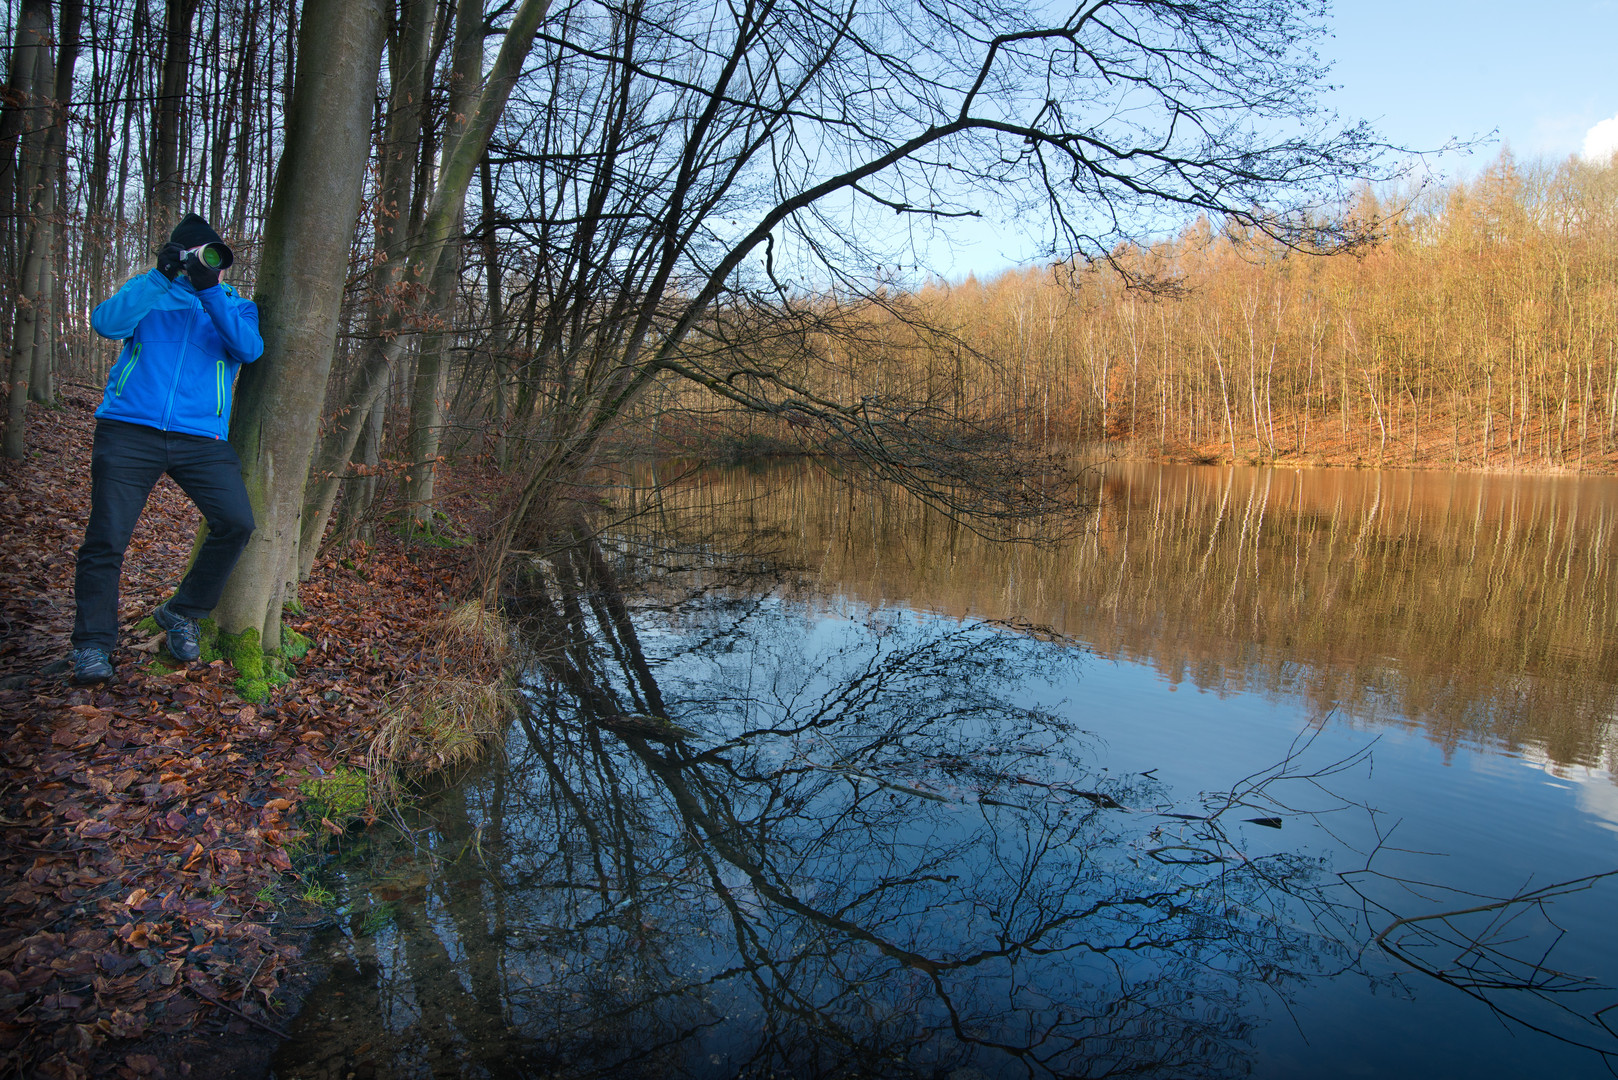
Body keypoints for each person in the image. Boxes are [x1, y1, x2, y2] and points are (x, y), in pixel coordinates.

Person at [68, 213, 264, 683]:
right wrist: (161, 276)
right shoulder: (150, 293)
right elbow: (105, 324)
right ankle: (92, 647)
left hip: (202, 439)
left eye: (216, 257)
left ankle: (183, 610)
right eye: (199, 255)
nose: (210, 264)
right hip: (128, 429)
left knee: (236, 523)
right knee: (106, 540)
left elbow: (249, 350)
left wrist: (210, 290)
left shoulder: (234, 304)